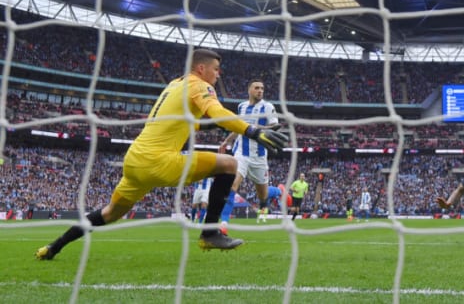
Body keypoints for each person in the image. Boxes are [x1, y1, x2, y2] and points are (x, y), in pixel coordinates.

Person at [35, 49, 288, 260]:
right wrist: (252, 131)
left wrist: (248, 127)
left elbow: (197, 123)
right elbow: (217, 112)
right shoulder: (199, 85)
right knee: (229, 164)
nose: (218, 74)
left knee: (109, 212)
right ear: (201, 69)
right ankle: (210, 233)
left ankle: (53, 247)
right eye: (216, 70)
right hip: (158, 161)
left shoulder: (174, 85)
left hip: (134, 160)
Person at [218, 79, 280, 230]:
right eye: (257, 88)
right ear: (249, 90)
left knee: (263, 196)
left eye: (262, 88)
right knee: (232, 184)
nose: (260, 90)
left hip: (259, 156)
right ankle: (224, 223)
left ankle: (275, 193)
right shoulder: (242, 106)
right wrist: (226, 141)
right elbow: (239, 127)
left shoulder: (267, 106)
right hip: (241, 153)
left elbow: (275, 127)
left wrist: (254, 127)